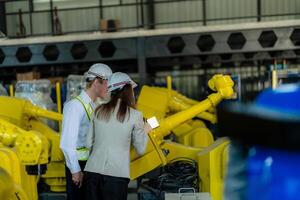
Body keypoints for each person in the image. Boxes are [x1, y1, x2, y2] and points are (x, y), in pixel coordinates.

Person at [84, 72, 152, 200]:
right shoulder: (135, 115)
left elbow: (88, 143)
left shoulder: (97, 110)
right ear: (126, 90)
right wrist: (146, 130)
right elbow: (141, 149)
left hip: (92, 172)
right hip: (116, 176)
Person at [60, 63, 112, 200]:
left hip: (90, 166)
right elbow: (66, 143)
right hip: (78, 166)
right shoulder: (74, 106)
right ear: (96, 82)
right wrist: (75, 170)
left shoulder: (93, 106)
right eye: (107, 83)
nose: (109, 88)